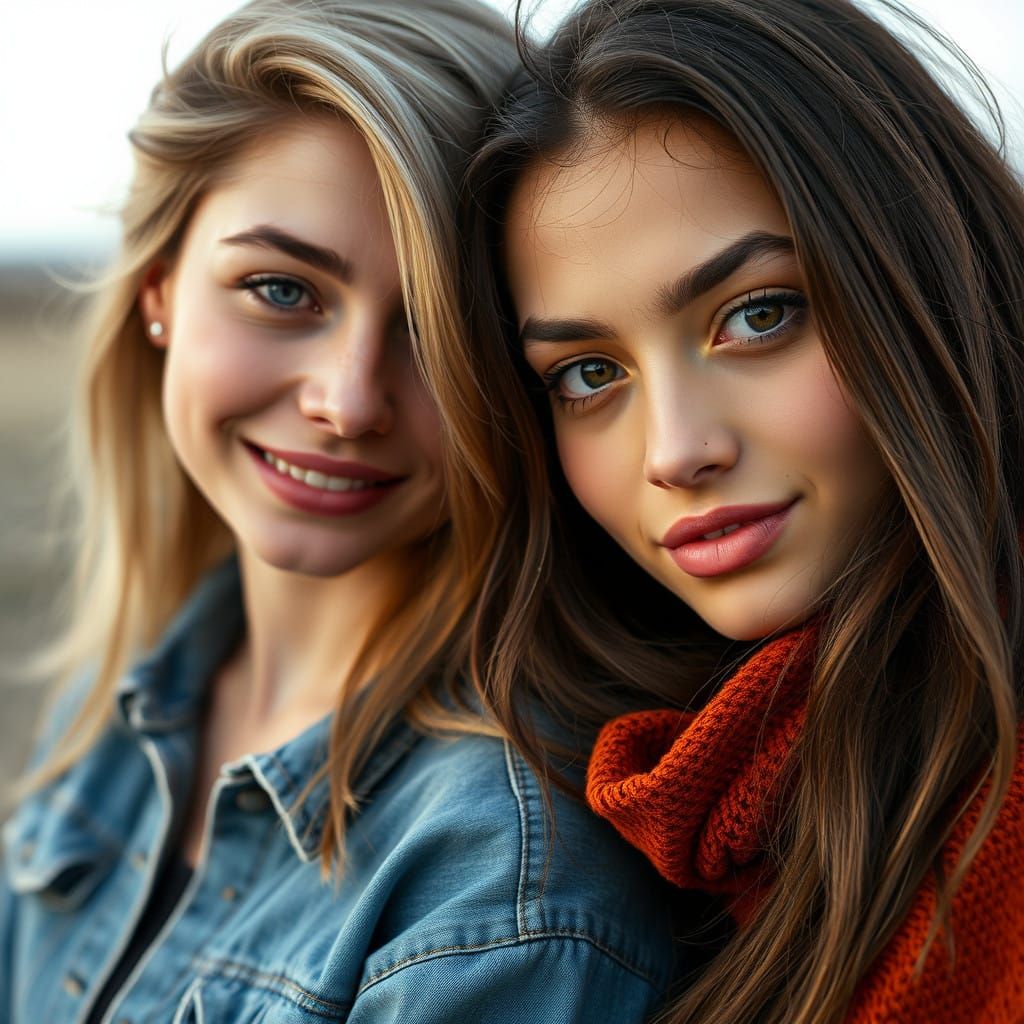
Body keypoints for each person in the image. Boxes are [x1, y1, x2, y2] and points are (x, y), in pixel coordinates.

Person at [0, 2, 684, 1021]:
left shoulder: (501, 883)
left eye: (437, 329)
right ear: (159, 289)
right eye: (282, 291)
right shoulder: (121, 707)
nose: (349, 399)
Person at [461, 0, 1024, 1020]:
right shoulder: (669, 818)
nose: (677, 452)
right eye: (589, 373)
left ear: (925, 277)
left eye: (756, 315)